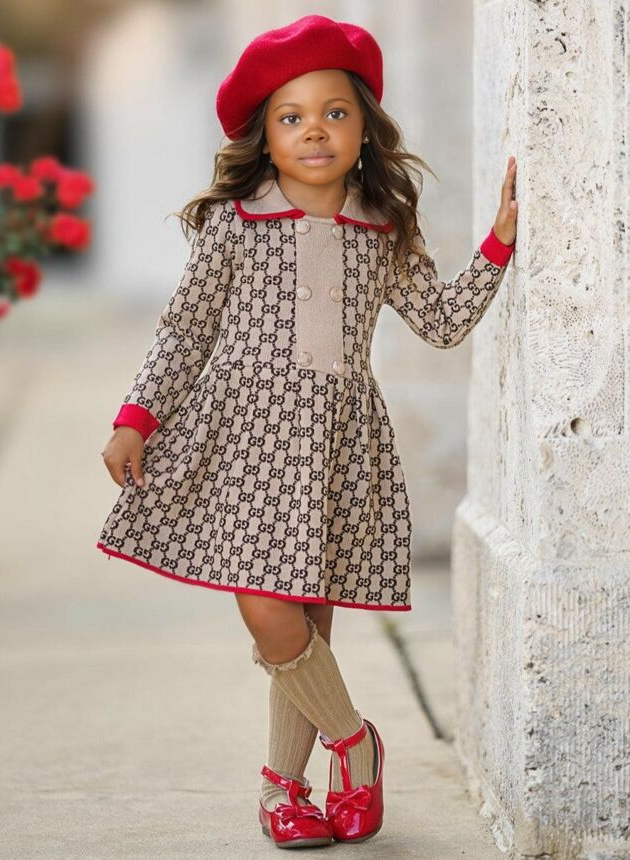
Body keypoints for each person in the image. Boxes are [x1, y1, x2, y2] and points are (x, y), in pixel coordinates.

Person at [96, 13, 517, 849]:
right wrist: (136, 417)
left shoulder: (383, 227)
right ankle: (355, 745)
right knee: (270, 614)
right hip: (244, 441)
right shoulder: (236, 222)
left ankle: (282, 790)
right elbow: (186, 330)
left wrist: (499, 245)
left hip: (336, 446)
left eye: (334, 112)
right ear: (266, 136)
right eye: (292, 117)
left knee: (309, 629)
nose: (314, 130)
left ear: (364, 131)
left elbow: (440, 324)